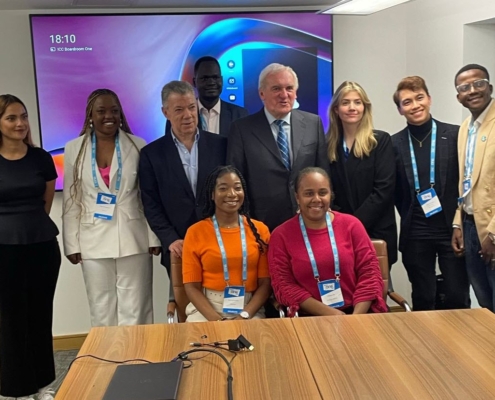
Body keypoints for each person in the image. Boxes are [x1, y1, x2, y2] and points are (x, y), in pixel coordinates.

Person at [63, 88, 161, 327]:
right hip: (92, 238)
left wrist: (153, 237)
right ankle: (107, 361)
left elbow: (146, 196)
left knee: (136, 307)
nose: (109, 116)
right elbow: (71, 197)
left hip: (133, 236)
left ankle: (139, 359)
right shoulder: (74, 148)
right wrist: (71, 243)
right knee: (101, 307)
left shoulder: (137, 145)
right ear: (90, 115)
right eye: (101, 111)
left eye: (114, 111)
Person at [0, 95, 61, 400]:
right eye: (11, 118)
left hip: (41, 247)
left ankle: (43, 386)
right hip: (3, 250)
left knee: (40, 317)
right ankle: (17, 390)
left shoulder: (41, 158)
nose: (20, 123)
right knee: (10, 321)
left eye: (23, 117)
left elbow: (46, 203)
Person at [392, 76, 470, 311]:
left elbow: (465, 182)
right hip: (415, 230)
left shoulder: (455, 135)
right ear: (400, 110)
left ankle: (458, 344)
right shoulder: (394, 144)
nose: (415, 105)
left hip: (451, 229)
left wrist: (460, 224)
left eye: (419, 98)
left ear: (429, 99)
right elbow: (395, 192)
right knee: (423, 297)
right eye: (407, 102)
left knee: (457, 295)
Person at [268, 167, 387, 317]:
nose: (316, 199)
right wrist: (334, 315)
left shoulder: (352, 225)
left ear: (331, 195)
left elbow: (369, 274)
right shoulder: (281, 235)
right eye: (309, 193)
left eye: (323, 192)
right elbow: (285, 285)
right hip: (309, 318)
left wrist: (355, 318)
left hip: (357, 314)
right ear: (297, 197)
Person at [227, 63, 328, 232]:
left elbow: (324, 173)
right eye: (276, 89)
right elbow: (236, 179)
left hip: (308, 221)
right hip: (261, 225)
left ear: (296, 93)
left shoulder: (313, 123)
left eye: (289, 88)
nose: (284, 95)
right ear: (262, 94)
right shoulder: (242, 129)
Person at [139, 81, 227, 274]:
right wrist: (169, 239)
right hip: (179, 245)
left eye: (191, 107)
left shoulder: (221, 145)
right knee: (186, 304)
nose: (187, 115)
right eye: (179, 109)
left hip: (220, 241)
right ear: (165, 113)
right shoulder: (151, 155)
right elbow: (151, 204)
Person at [182, 166, 271, 322]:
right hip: (206, 308)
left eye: (238, 188)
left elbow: (265, 284)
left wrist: (244, 315)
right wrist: (216, 321)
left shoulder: (260, 230)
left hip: (249, 308)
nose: (232, 194)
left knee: (257, 343)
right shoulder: (195, 232)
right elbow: (191, 287)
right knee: (202, 344)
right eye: (223, 188)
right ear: (212, 194)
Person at [327, 81, 397, 267]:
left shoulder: (380, 141)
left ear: (365, 108)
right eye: (345, 102)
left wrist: (352, 225)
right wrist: (342, 225)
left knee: (375, 292)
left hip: (376, 231)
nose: (352, 108)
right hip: (339, 234)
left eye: (357, 102)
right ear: (336, 109)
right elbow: (327, 191)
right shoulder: (327, 146)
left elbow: (383, 190)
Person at [452, 64, 495, 311]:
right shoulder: (465, 127)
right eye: (464, 87)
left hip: (491, 227)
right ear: (458, 97)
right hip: (470, 223)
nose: (472, 91)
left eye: (479, 83)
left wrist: (493, 233)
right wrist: (458, 222)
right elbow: (466, 181)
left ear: (489, 86)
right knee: (484, 299)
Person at [165, 56, 248, 137]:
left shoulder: (240, 115)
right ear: (194, 82)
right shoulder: (177, 117)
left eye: (215, 78)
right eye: (205, 78)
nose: (211, 82)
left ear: (221, 80)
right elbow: (170, 148)